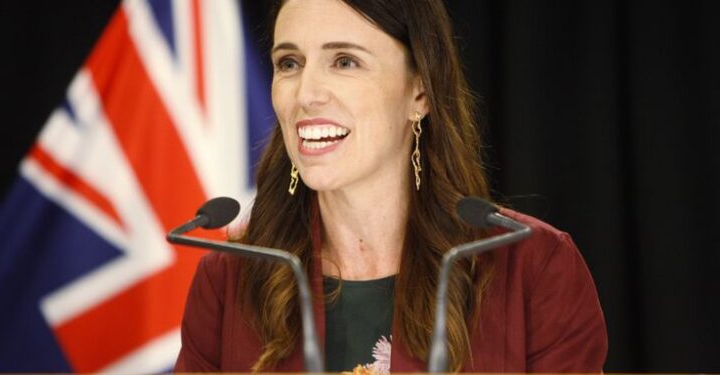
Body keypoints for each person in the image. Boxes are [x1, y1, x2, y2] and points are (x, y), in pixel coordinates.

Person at [174, 0, 607, 372]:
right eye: (289, 63)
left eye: (344, 61)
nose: (305, 94)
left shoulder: (532, 266)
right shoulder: (228, 280)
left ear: (420, 91)